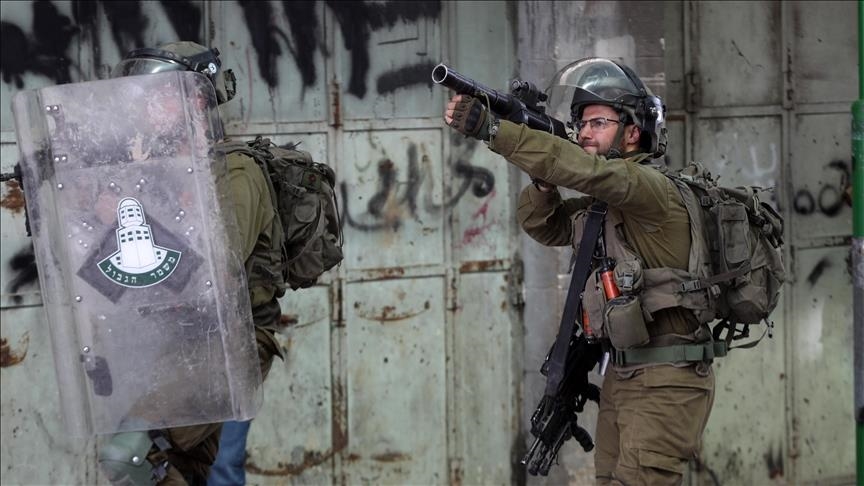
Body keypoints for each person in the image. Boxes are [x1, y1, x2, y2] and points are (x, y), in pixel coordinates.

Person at [444, 57, 715, 485]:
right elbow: (546, 225)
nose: (584, 133)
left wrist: (493, 130)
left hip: (667, 379)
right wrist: (543, 182)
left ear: (633, 132)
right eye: (581, 123)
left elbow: (586, 172)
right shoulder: (606, 204)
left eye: (598, 123)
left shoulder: (650, 189)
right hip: (623, 374)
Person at [100, 41, 285, 486]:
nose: (146, 110)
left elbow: (213, 266)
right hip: (175, 344)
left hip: (231, 346)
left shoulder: (236, 172)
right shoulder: (161, 173)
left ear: (197, 101)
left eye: (160, 98)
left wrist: (126, 218)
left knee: (200, 466)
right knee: (169, 468)